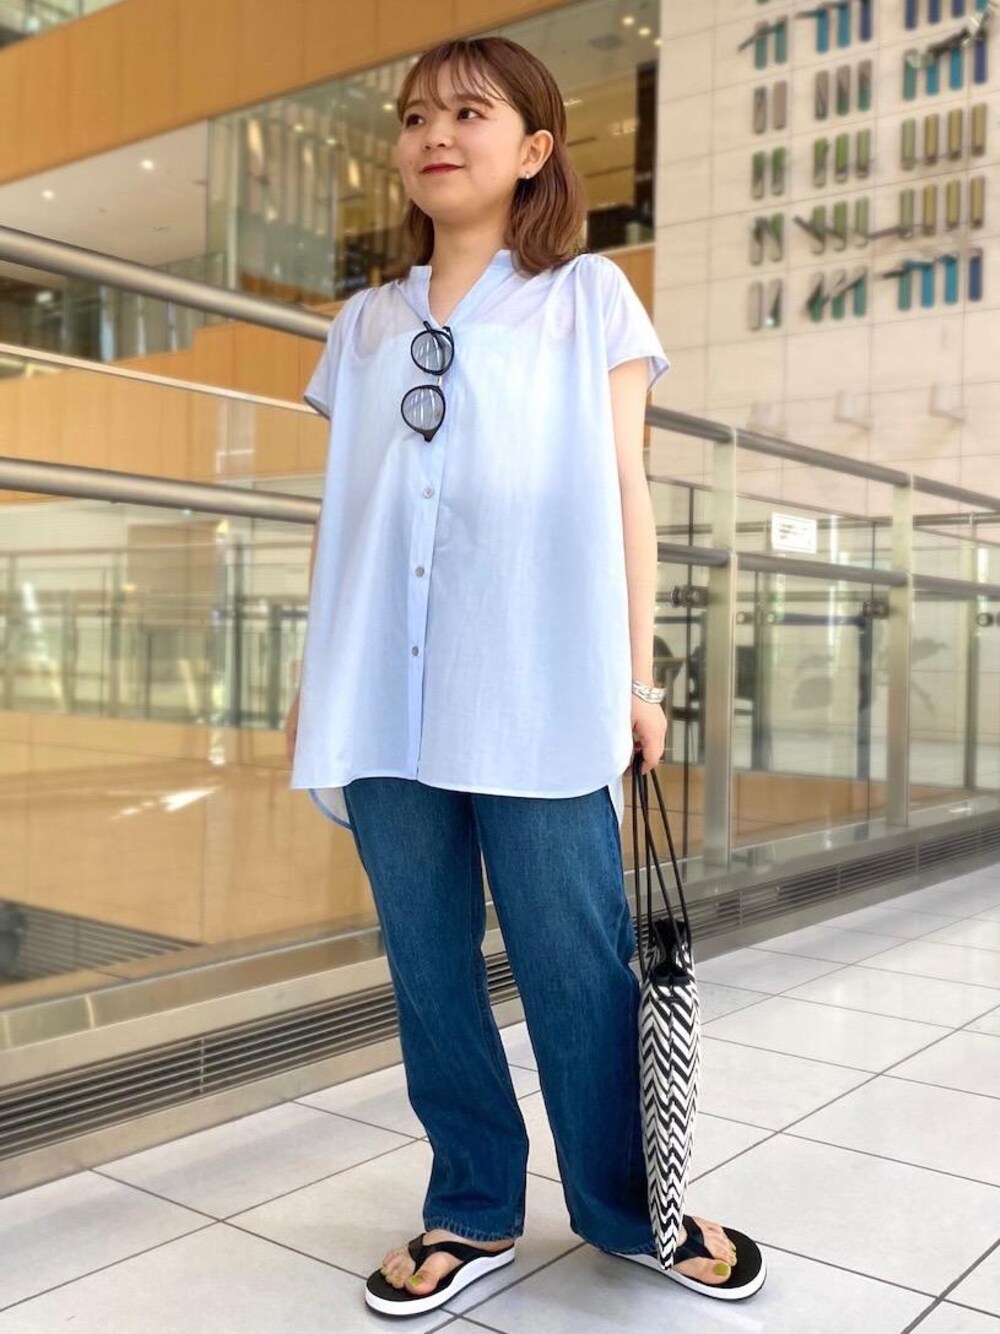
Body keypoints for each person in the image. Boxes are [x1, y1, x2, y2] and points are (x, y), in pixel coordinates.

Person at [285, 36, 767, 1317]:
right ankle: (470, 1202)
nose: (434, 134)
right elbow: (348, 515)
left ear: (535, 148)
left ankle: (628, 1204)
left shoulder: (586, 298)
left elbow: (623, 490)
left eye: (468, 113)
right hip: (379, 693)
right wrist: (315, 674)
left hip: (536, 679)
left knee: (576, 957)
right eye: (414, 116)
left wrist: (637, 677)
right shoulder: (364, 324)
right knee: (427, 963)